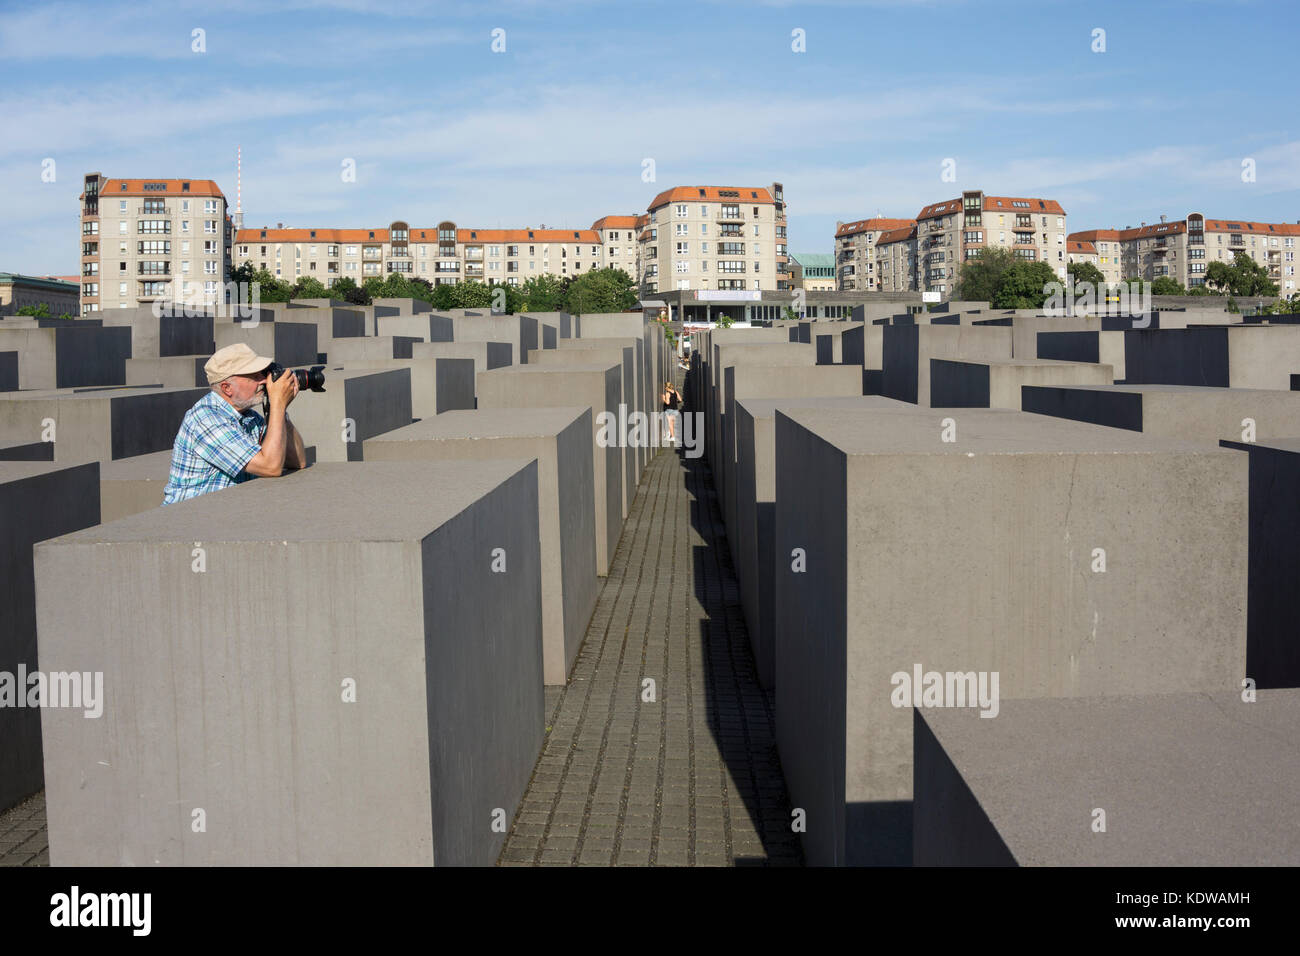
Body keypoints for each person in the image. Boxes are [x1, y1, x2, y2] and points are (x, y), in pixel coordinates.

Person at [162, 343, 308, 504]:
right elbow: (270, 467)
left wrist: (280, 410)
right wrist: (278, 404)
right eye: (254, 376)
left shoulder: (249, 417)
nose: (264, 381)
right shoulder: (206, 419)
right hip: (189, 518)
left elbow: (297, 462)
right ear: (227, 388)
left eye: (263, 373)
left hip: (224, 512)